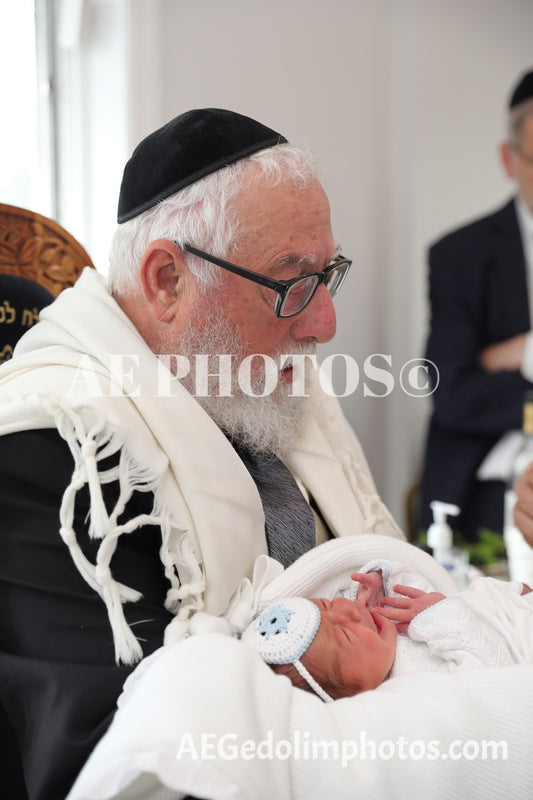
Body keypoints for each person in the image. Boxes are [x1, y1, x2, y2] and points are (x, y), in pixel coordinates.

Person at [0, 108, 403, 799]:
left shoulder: (268, 387)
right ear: (166, 281)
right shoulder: (53, 455)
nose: (324, 324)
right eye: (290, 282)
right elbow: (121, 760)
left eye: (325, 274)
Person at [419, 68, 533, 543]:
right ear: (509, 159)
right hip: (482, 501)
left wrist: (513, 356)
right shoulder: (460, 255)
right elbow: (454, 393)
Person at [242, 566, 533, 701]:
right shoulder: (407, 691)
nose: (348, 608)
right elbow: (492, 683)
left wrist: (384, 586)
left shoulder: (385, 639)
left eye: (328, 604)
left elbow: (419, 587)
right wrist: (441, 614)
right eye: (344, 634)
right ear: (353, 695)